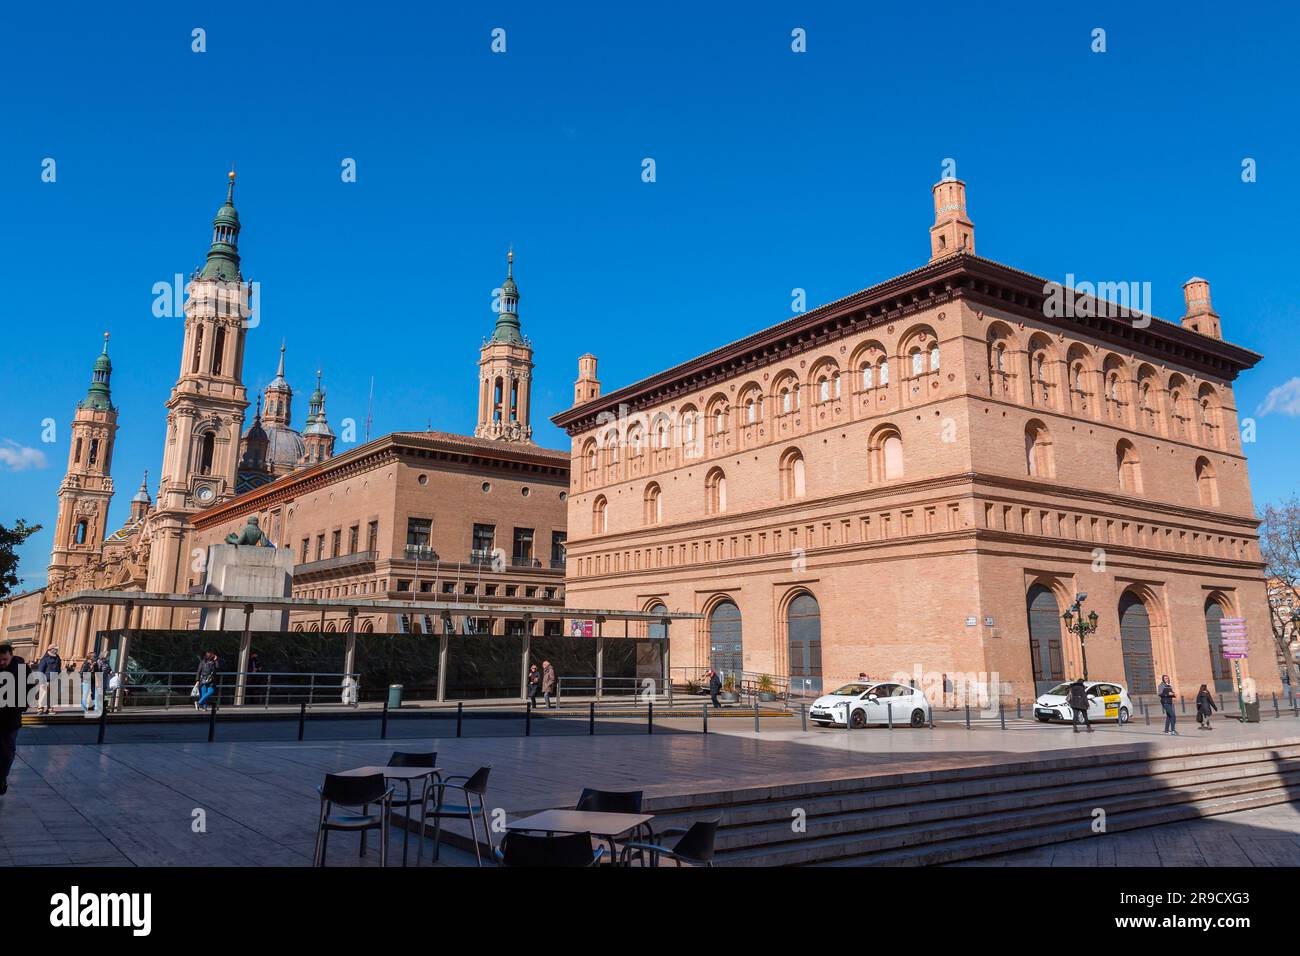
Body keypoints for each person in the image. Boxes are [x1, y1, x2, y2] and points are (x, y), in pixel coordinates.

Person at [0, 643, 28, 795]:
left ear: (11, 655)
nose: (2, 663)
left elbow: (30, 689)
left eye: (5, 659)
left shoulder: (21, 669)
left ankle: (1, 778)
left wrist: (21, 707)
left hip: (11, 719)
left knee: (7, 752)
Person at [34, 645, 61, 715]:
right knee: (43, 694)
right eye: (55, 649)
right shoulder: (45, 658)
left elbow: (59, 668)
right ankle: (40, 708)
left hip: (54, 678)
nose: (56, 650)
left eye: (56, 649)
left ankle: (50, 709)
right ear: (50, 649)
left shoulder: (57, 657)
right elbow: (40, 670)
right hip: (46, 679)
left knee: (52, 695)